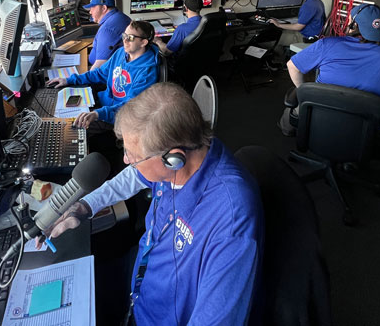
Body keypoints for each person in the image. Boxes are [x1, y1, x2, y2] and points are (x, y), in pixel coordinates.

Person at [44, 82, 264, 325]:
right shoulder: (180, 159)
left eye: (134, 157)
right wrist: (84, 207)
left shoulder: (231, 221)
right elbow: (129, 179)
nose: (126, 161)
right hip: (140, 282)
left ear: (174, 159)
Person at [279, 3, 380, 135]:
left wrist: (305, 92)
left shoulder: (328, 45)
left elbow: (292, 66)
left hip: (319, 119)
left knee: (289, 114)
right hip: (362, 133)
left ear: (354, 25)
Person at [47, 21, 159, 130]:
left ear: (143, 42)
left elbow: (130, 106)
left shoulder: (147, 72)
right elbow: (100, 73)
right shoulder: (121, 53)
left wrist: (97, 114)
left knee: (70, 126)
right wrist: (69, 80)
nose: (124, 40)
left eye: (130, 38)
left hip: (118, 116)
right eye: (124, 35)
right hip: (104, 104)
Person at [81, 0, 130, 70]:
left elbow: (100, 65)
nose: (90, 12)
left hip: (110, 73)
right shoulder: (119, 16)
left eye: (93, 7)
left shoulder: (107, 29)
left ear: (104, 8)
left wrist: (82, 80)